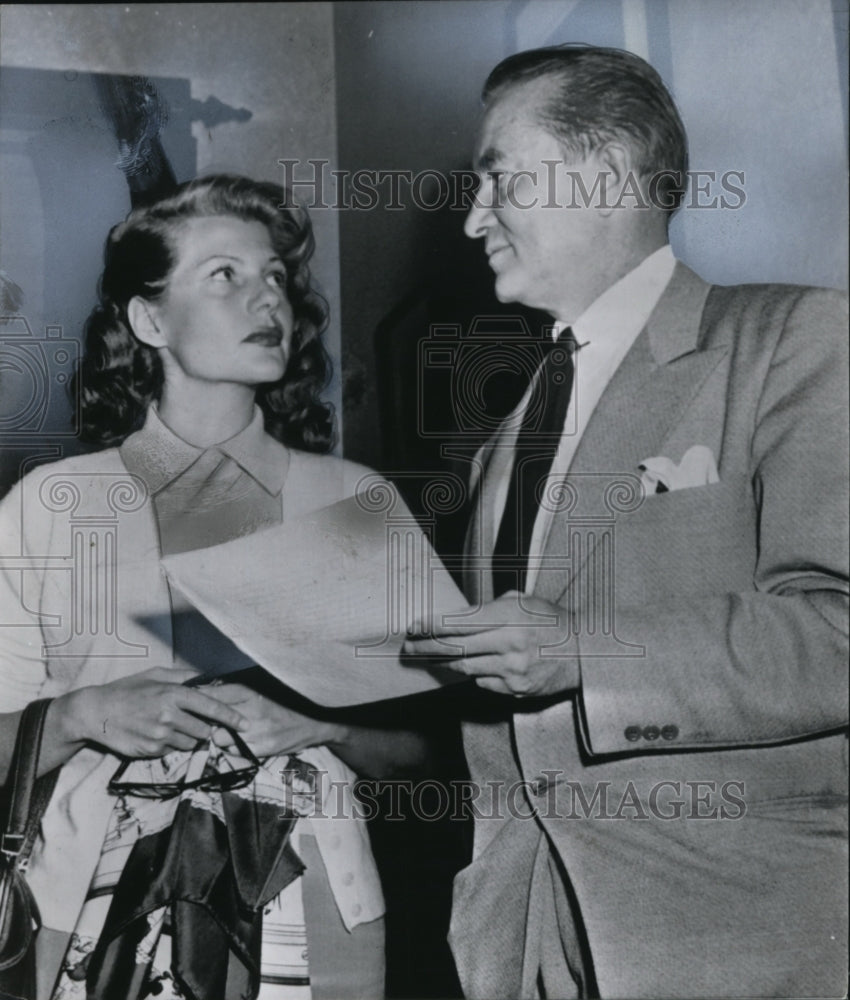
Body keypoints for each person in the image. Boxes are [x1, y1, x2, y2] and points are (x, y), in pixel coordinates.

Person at [403, 45, 848, 998]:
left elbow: (839, 629)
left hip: (739, 934)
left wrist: (586, 655)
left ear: (602, 175)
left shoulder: (794, 342)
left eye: (498, 179)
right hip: (526, 938)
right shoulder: (502, 439)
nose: (476, 217)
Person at [0, 174, 428, 1000]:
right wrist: (84, 715)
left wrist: (318, 724)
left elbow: (426, 760)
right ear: (148, 319)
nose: (267, 299)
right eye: (225, 274)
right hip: (80, 920)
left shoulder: (353, 505)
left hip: (316, 909)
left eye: (276, 277)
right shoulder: (48, 509)